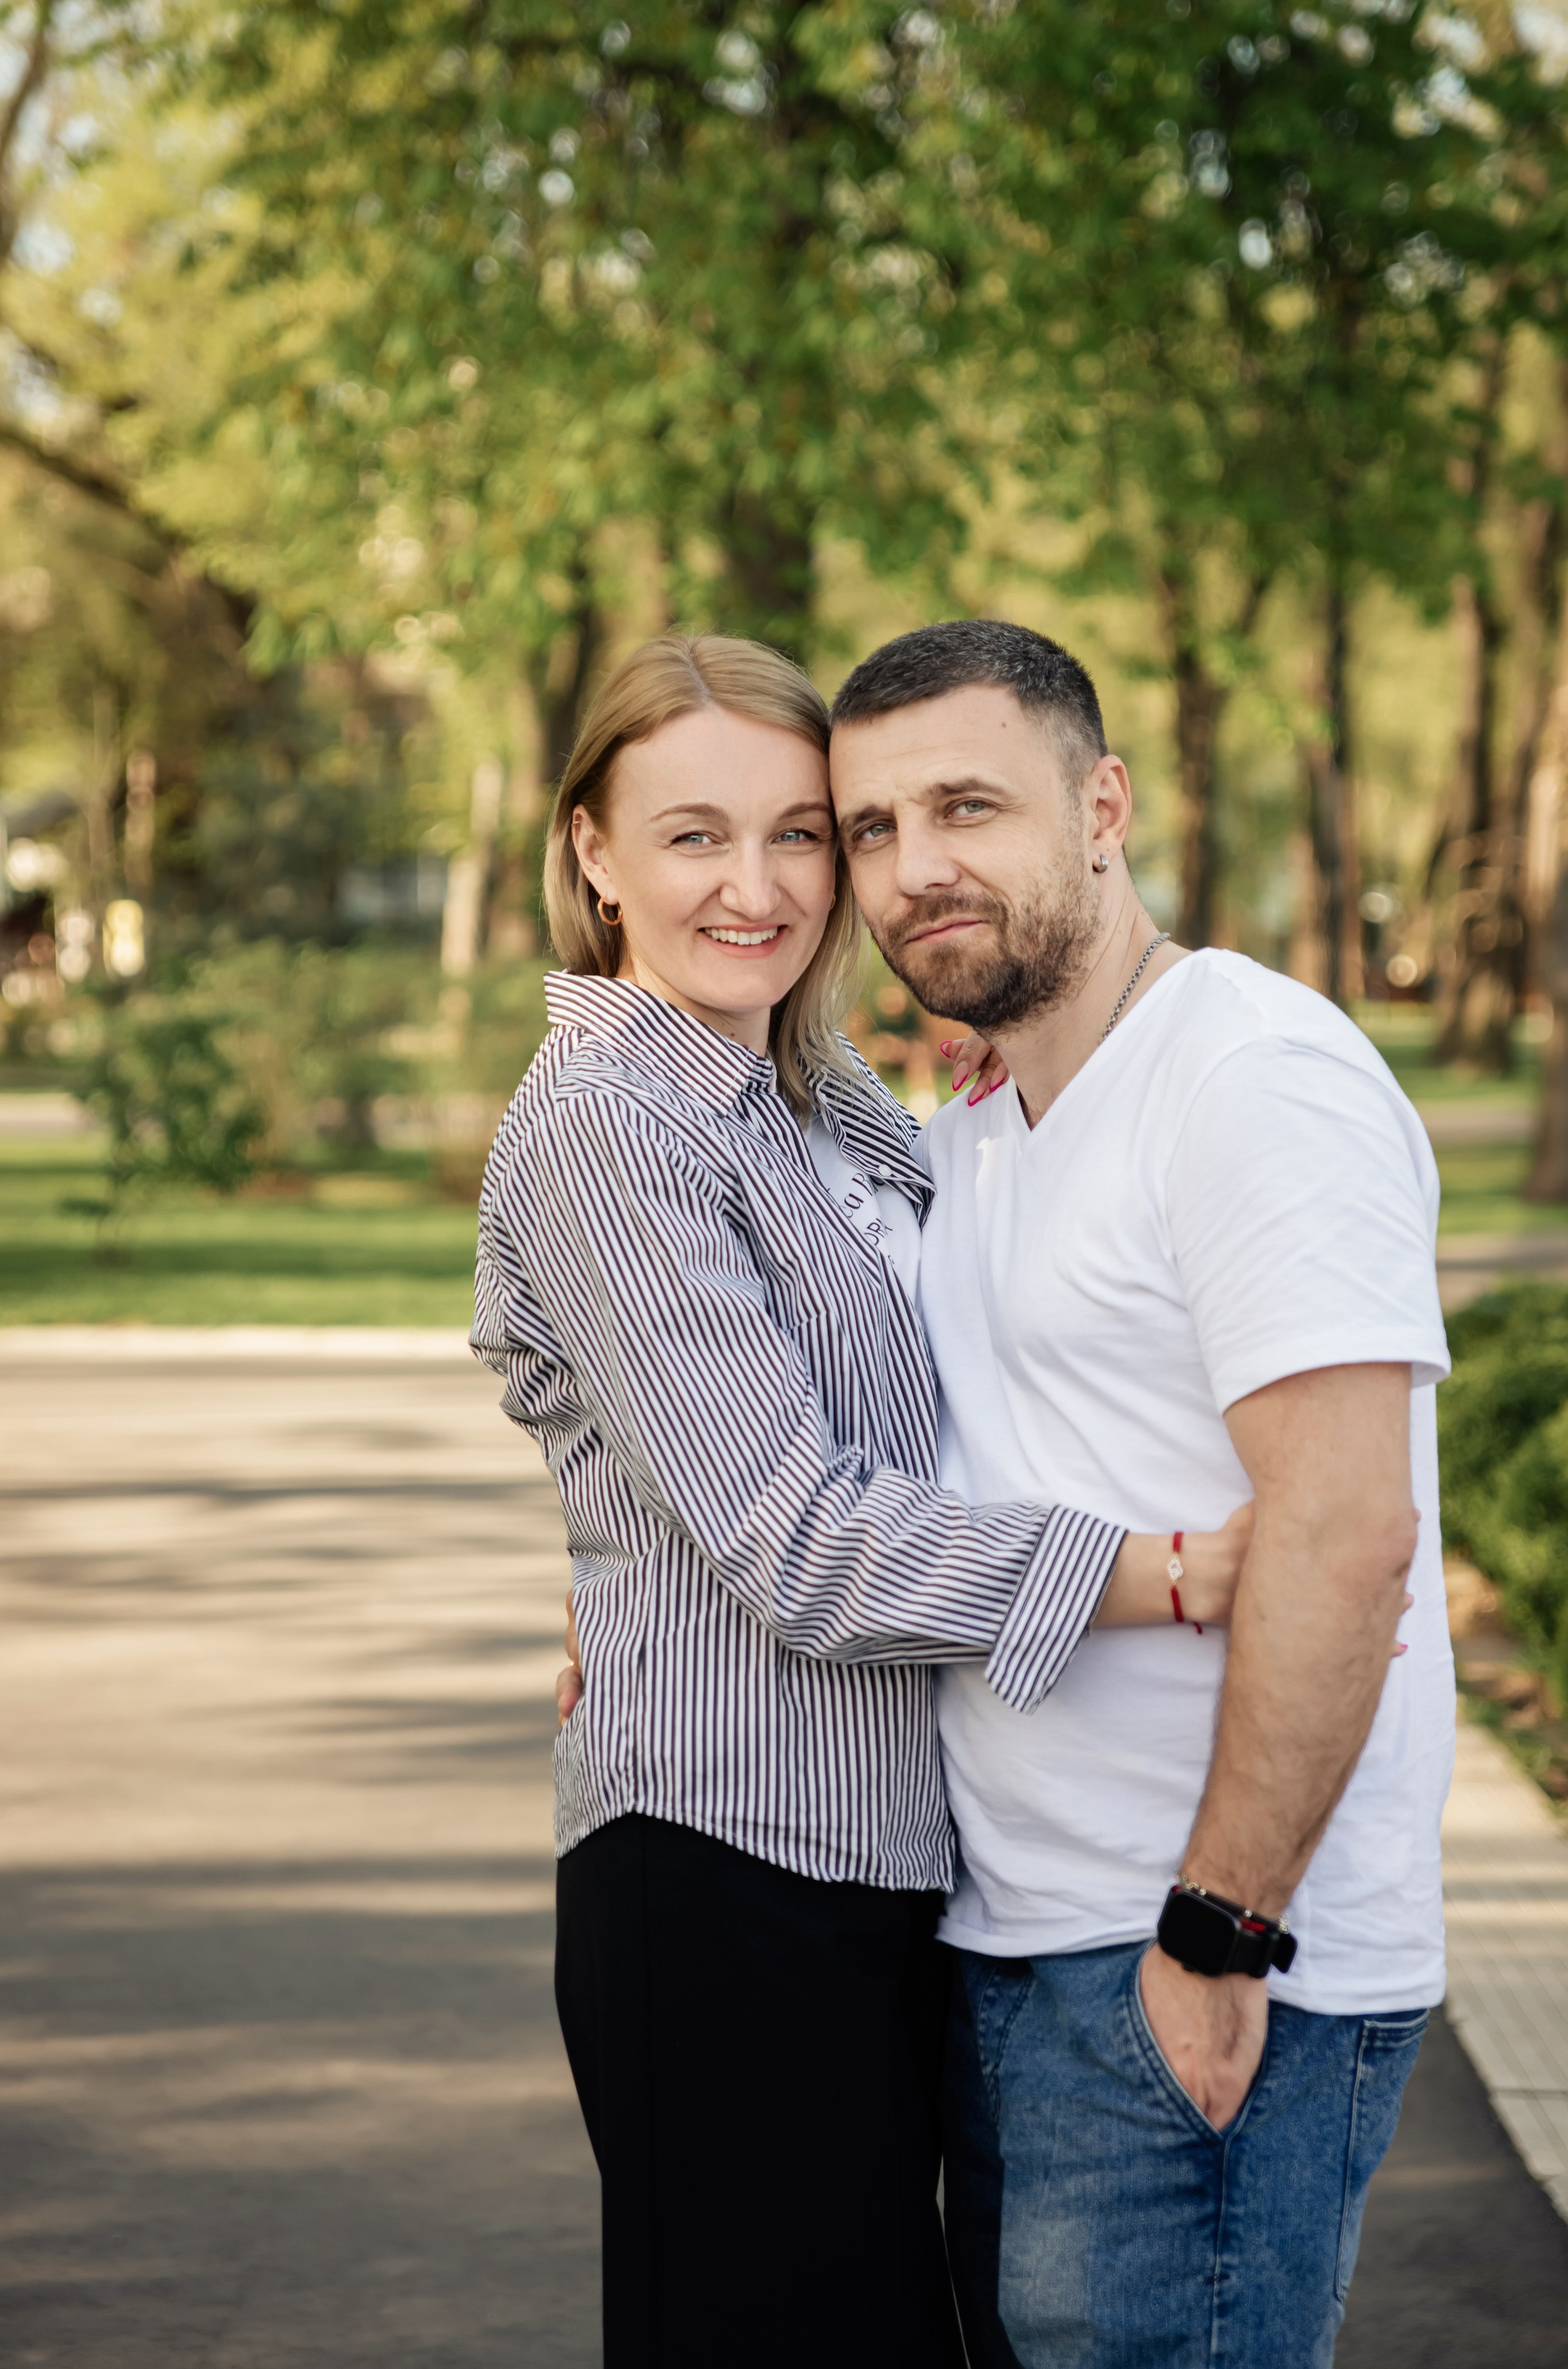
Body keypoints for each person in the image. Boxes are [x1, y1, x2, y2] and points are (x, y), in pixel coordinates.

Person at [471, 632, 1251, 2369]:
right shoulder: (610, 1121)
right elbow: (797, 1540)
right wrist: (1177, 1571)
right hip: (726, 1873)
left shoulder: (824, 1104)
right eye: (693, 836)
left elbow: (939, 1381)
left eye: (802, 835)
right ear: (593, 850)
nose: (756, 889)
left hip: (893, 1868)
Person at [828, 618, 1451, 2369]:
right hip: (1014, 1940)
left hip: (1200, 1953)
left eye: (968, 806)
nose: (915, 866)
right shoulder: (977, 1129)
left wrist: (1218, 1932)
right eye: (872, 828)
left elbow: (1348, 1535)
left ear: (1102, 809)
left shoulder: (1251, 1080)